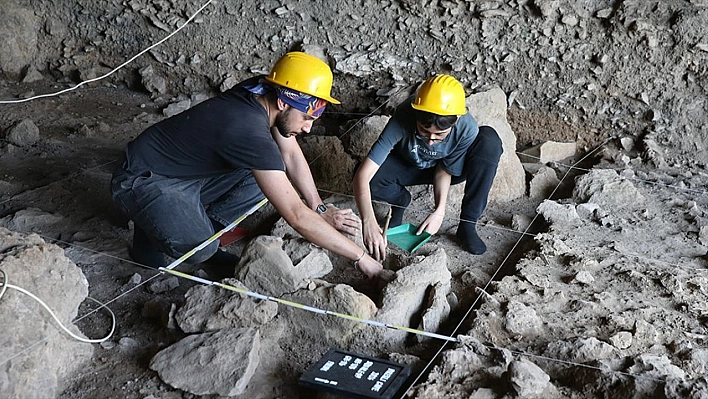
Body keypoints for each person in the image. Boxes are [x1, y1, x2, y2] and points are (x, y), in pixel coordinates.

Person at [111, 51, 383, 279]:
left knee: (264, 175)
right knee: (201, 249)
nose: (309, 128)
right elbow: (296, 216)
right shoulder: (247, 129)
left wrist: (319, 207)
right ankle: (154, 230)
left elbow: (289, 153)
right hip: (143, 179)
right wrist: (361, 258)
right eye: (306, 118)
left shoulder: (261, 91)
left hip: (184, 169)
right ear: (283, 102)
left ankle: (192, 224)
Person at [353, 74, 503, 260]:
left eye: (439, 135)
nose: (431, 141)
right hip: (409, 163)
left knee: (489, 141)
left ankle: (467, 225)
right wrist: (368, 221)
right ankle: (399, 202)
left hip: (443, 169)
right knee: (368, 177)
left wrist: (439, 211)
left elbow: (445, 169)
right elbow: (363, 175)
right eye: (424, 131)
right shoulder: (404, 114)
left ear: (455, 121)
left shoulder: (466, 127)